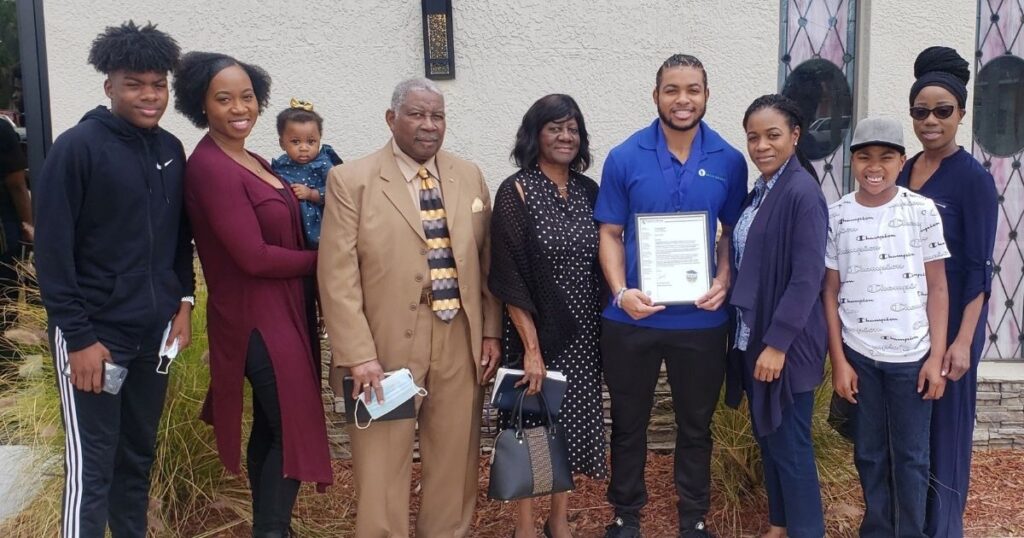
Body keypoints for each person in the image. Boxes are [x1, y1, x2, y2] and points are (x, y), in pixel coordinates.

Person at [318, 77, 502, 538]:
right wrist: (358, 354)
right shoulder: (351, 181)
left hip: (459, 337)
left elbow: (487, 265)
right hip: (383, 346)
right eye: (417, 114)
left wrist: (491, 333)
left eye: (437, 116)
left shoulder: (469, 175)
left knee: (455, 458)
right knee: (381, 462)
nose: (429, 125)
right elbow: (337, 276)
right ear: (391, 118)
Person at [33, 22, 194, 537]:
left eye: (158, 84)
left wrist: (183, 304)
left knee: (137, 458)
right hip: (97, 337)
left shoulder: (171, 149)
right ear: (109, 86)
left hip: (155, 337)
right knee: (92, 466)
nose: (150, 96)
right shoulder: (77, 148)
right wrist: (78, 338)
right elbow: (52, 254)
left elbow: (178, 240)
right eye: (134, 84)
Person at [174, 51, 332, 537]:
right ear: (201, 104)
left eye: (246, 96)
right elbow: (253, 256)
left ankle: (271, 528)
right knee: (291, 428)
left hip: (285, 307)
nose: (238, 107)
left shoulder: (254, 158)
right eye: (224, 99)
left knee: (271, 425)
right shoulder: (210, 167)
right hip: (255, 316)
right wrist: (328, 262)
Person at [594, 54, 748, 538]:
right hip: (633, 320)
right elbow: (611, 233)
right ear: (656, 94)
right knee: (628, 423)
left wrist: (724, 279)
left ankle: (694, 516)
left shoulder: (728, 159)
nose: (683, 100)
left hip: (701, 323)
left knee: (696, 426)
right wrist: (620, 293)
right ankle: (625, 514)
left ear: (706, 95)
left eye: (693, 90)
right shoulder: (624, 156)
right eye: (672, 90)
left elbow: (730, 232)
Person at [824, 117, 950, 538]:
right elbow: (829, 292)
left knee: (912, 456)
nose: (874, 166)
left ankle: (910, 532)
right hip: (859, 355)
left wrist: (936, 356)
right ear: (852, 162)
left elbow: (937, 286)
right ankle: (876, 530)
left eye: (886, 157)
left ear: (901, 162)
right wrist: (839, 361)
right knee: (870, 453)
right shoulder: (837, 214)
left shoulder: (921, 211)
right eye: (864, 157)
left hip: (911, 357)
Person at [489, 94, 606, 538]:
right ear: (535, 134)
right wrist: (532, 350)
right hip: (533, 333)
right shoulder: (516, 189)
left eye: (572, 128)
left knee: (569, 427)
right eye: (555, 127)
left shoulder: (589, 191)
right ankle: (524, 526)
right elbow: (509, 275)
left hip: (582, 334)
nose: (565, 136)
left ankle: (558, 521)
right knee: (531, 425)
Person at [896, 46, 999, 538]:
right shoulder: (903, 170)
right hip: (906, 323)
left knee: (945, 433)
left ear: (960, 113)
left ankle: (942, 530)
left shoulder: (974, 180)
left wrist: (962, 342)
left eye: (942, 111)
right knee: (910, 435)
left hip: (955, 321)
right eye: (920, 111)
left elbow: (981, 268)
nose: (930, 120)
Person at [726, 94, 827, 538]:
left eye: (773, 135)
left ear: (795, 136)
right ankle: (779, 525)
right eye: (753, 137)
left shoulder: (802, 191)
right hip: (754, 339)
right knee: (770, 441)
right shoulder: (763, 191)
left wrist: (778, 344)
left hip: (784, 346)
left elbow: (807, 278)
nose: (762, 145)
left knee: (790, 447)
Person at [271, 99, 343, 249]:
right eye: (296, 142)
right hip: (292, 222)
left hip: (317, 225)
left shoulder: (323, 164)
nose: (304, 148)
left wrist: (312, 194)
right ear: (282, 143)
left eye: (311, 142)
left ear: (319, 141)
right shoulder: (281, 164)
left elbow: (338, 190)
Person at [0, 115, 29, 362]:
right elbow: (17, 184)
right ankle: (7, 365)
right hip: (2, 227)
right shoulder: (1, 129)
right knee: (5, 296)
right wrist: (30, 226)